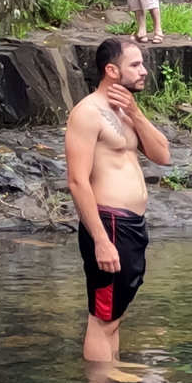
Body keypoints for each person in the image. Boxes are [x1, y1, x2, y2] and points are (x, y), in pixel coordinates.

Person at [65, 37, 172, 362]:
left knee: (117, 313)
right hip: (109, 225)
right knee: (103, 319)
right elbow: (77, 181)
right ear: (112, 70)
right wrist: (101, 241)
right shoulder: (87, 113)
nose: (144, 71)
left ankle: (110, 376)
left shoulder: (126, 111)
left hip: (131, 226)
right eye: (135, 65)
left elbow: (163, 156)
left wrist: (136, 113)